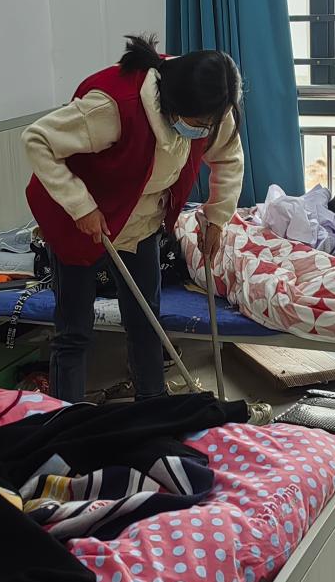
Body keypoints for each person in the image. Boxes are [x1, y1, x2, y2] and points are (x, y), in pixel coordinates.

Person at [24, 35, 243, 403]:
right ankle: (66, 417)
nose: (204, 131)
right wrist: (81, 206)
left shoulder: (209, 105)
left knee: (146, 322)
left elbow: (228, 157)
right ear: (172, 104)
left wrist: (218, 217)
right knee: (74, 331)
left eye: (210, 124)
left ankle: (151, 409)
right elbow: (37, 140)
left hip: (140, 224)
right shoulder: (113, 107)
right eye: (198, 123)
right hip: (82, 223)